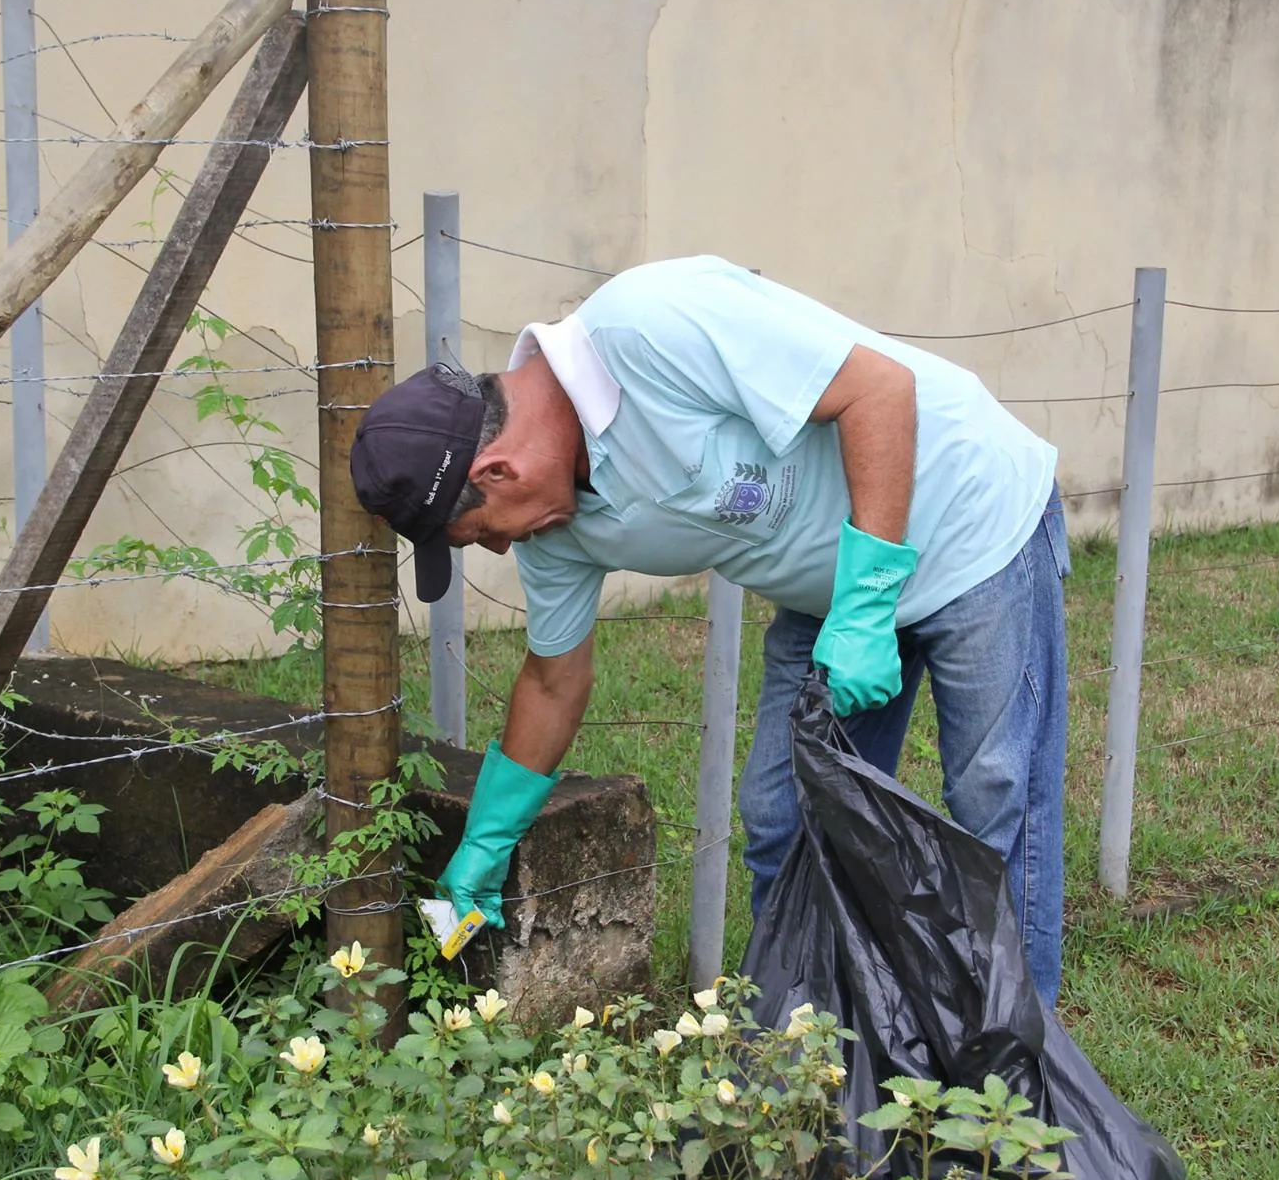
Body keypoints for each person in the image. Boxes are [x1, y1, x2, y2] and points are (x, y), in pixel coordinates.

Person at [350, 256, 1071, 1005]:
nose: (501, 548)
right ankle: (809, 1071)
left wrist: (865, 608)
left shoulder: (650, 327)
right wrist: (486, 840)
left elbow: (880, 389)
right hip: (832, 587)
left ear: (497, 471)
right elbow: (553, 678)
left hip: (974, 517)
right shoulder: (554, 527)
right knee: (785, 817)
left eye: (479, 534)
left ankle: (1014, 1090)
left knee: (994, 803)